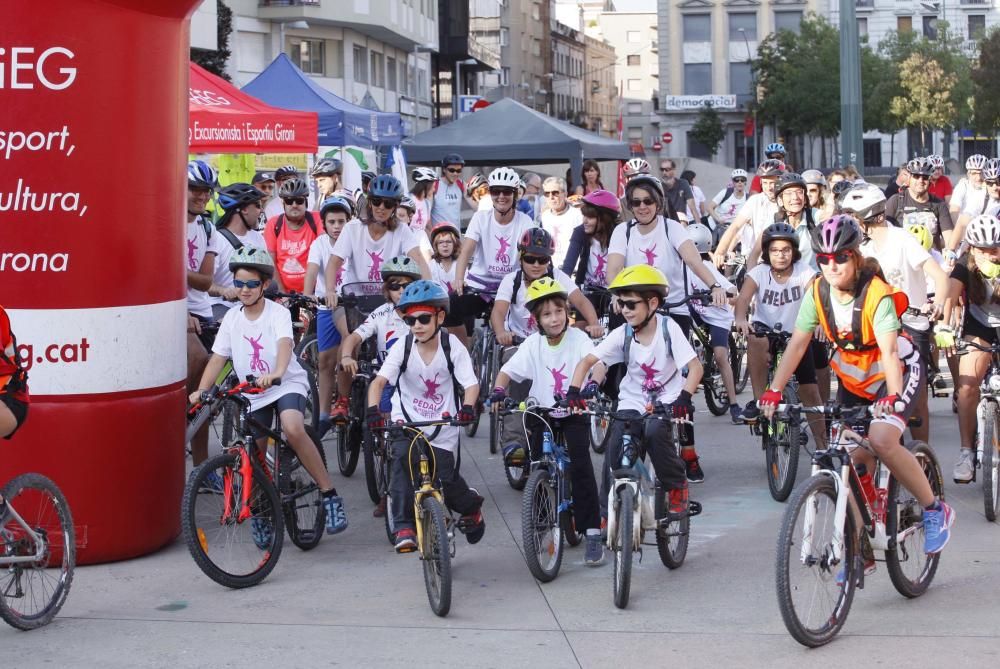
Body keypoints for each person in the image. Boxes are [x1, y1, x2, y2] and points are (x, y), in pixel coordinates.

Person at [758, 215, 955, 558]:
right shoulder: (817, 292)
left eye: (840, 258)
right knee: (848, 458)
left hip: (895, 373)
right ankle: (859, 546)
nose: (831, 266)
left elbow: (891, 352)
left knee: (881, 440)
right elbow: (797, 345)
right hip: (854, 378)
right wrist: (773, 391)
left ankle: (934, 509)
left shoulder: (877, 295)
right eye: (823, 260)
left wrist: (893, 398)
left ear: (855, 256)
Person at [190, 246, 348, 535]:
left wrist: (276, 373)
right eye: (239, 284)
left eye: (252, 284)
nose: (245, 290)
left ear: (264, 284)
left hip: (285, 383)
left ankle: (329, 494)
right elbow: (217, 358)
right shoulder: (232, 319)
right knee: (255, 452)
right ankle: (261, 512)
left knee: (293, 427)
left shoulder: (277, 313)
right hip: (253, 392)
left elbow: (285, 345)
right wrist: (201, 390)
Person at [570, 265, 701, 520]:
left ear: (652, 303)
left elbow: (695, 368)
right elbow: (587, 361)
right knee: (616, 445)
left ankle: (677, 488)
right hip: (632, 398)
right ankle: (606, 512)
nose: (625, 310)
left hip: (668, 398)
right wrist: (574, 391)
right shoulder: (623, 334)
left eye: (631, 304)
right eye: (621, 303)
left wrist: (684, 399)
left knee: (653, 432)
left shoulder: (668, 328)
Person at [491, 278, 606, 564]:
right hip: (541, 412)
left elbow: (598, 364)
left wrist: (591, 385)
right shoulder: (533, 344)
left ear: (567, 312)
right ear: (537, 320)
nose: (554, 319)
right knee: (537, 467)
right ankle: (542, 523)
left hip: (573, 410)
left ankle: (592, 531)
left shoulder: (578, 339)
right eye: (546, 314)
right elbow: (507, 372)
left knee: (580, 464)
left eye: (558, 311)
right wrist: (497, 391)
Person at [366, 281, 484, 553]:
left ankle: (471, 507)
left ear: (440, 317)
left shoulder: (452, 346)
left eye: (424, 318)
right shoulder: (403, 346)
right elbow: (379, 382)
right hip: (406, 418)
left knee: (447, 479)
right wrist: (373, 410)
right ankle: (404, 526)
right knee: (401, 467)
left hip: (443, 422)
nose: (417, 325)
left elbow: (471, 384)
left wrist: (467, 407)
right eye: (410, 319)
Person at [843, 183, 949, 444]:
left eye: (855, 218)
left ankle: (923, 460)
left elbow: (938, 276)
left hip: (911, 323)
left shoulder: (901, 239)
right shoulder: (857, 248)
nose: (850, 223)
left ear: (873, 217)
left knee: (916, 400)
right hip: (873, 325)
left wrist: (937, 304)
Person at [734, 223, 825, 440]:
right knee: (756, 339)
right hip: (765, 330)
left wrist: (820, 322)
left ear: (794, 251)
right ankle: (759, 401)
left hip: (797, 334)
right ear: (767, 252)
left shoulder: (805, 272)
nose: (781, 256)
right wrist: (740, 319)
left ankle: (823, 446)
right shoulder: (759, 272)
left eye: (786, 250)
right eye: (775, 251)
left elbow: (817, 299)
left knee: (810, 391)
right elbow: (744, 298)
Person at [938, 215, 1000, 483]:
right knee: (966, 386)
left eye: (995, 248)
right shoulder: (964, 265)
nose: (990, 255)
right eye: (983, 249)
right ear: (972, 249)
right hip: (980, 328)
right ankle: (966, 452)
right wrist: (943, 326)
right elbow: (949, 297)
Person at [445, 167, 539, 339]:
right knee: (450, 307)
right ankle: (462, 356)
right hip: (480, 286)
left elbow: (531, 253)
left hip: (511, 287)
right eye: (496, 191)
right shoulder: (480, 218)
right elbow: (466, 250)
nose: (501, 196)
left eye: (507, 191)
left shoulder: (525, 221)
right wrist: (459, 278)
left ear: (515, 194)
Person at [324, 174, 431, 307]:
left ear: (395, 206)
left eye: (388, 204)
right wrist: (330, 291)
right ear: (369, 202)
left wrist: (427, 290)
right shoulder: (352, 228)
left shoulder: (402, 230)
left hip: (389, 303)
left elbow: (419, 260)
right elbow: (333, 263)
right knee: (344, 322)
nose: (381, 207)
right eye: (376, 201)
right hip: (355, 302)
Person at [304, 195, 354, 434]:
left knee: (348, 344)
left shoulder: (355, 241)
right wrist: (308, 295)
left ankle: (343, 400)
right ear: (324, 223)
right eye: (332, 221)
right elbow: (312, 271)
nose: (336, 226)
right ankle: (323, 415)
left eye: (341, 221)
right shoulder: (319, 244)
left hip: (353, 306)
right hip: (327, 306)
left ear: (349, 221)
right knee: (325, 362)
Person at [685, 222, 741, 423]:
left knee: (720, 356)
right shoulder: (680, 267)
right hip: (695, 312)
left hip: (717, 317)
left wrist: (722, 295)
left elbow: (733, 292)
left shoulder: (706, 266)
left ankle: (734, 403)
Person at [185, 160, 219, 468]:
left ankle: (202, 467)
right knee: (199, 359)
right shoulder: (168, 222)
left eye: (206, 192)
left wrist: (180, 272)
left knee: (208, 394)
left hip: (203, 310)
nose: (202, 197)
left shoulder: (208, 228)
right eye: (196, 189)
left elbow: (206, 281)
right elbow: (160, 275)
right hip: (176, 310)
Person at [208, 183, 268, 322]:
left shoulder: (258, 238)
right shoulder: (217, 240)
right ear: (245, 209)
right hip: (221, 305)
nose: (261, 211)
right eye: (258, 206)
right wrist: (223, 291)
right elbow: (205, 284)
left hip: (254, 305)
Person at [714, 159, 784, 267]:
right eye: (765, 183)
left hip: (784, 259)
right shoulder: (754, 201)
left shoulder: (788, 201)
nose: (769, 187)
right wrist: (720, 251)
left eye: (773, 183)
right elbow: (735, 226)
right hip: (760, 261)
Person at [885, 157, 954, 257]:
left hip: (932, 259)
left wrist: (950, 254)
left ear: (930, 180)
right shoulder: (895, 201)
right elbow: (884, 233)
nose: (921, 180)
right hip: (904, 258)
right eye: (916, 176)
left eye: (925, 177)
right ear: (909, 178)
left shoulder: (940, 205)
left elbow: (949, 237)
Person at [264, 177, 320, 293]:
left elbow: (324, 253)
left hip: (314, 292)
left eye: (299, 201)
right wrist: (282, 293)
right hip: (284, 293)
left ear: (306, 202)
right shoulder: (273, 224)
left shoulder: (317, 220)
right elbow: (271, 262)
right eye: (289, 201)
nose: (294, 205)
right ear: (283, 203)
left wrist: (309, 294)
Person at [562, 189, 620, 288]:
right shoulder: (580, 232)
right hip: (587, 290)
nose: (584, 221)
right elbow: (568, 266)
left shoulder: (619, 234)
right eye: (584, 215)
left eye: (590, 217)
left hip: (614, 292)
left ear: (605, 219)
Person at [539, 176, 583, 269]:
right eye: (547, 193)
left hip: (573, 271)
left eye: (555, 193)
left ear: (565, 193)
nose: (551, 197)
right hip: (549, 270)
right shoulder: (544, 216)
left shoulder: (578, 215)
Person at [430, 152, 469, 227]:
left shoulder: (461, 184)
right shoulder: (435, 185)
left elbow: (475, 205)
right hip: (439, 236)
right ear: (444, 169)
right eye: (451, 170)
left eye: (458, 171)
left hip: (456, 235)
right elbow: (426, 214)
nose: (455, 173)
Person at [658, 158, 696, 223]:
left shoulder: (683, 183)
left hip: (681, 219)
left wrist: (699, 226)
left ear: (674, 170)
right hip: (664, 221)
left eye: (667, 169)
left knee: (681, 217)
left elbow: (692, 207)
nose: (664, 172)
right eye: (662, 170)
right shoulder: (658, 187)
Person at [409, 166, 437, 251]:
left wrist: (435, 239)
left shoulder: (426, 203)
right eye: (433, 186)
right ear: (426, 186)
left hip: (422, 240)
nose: (434, 189)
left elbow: (427, 225)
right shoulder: (408, 199)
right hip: (409, 240)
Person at [428, 222, 460, 293]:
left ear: (455, 245)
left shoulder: (460, 264)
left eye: (448, 242)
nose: (445, 245)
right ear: (436, 246)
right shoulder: (431, 265)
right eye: (440, 242)